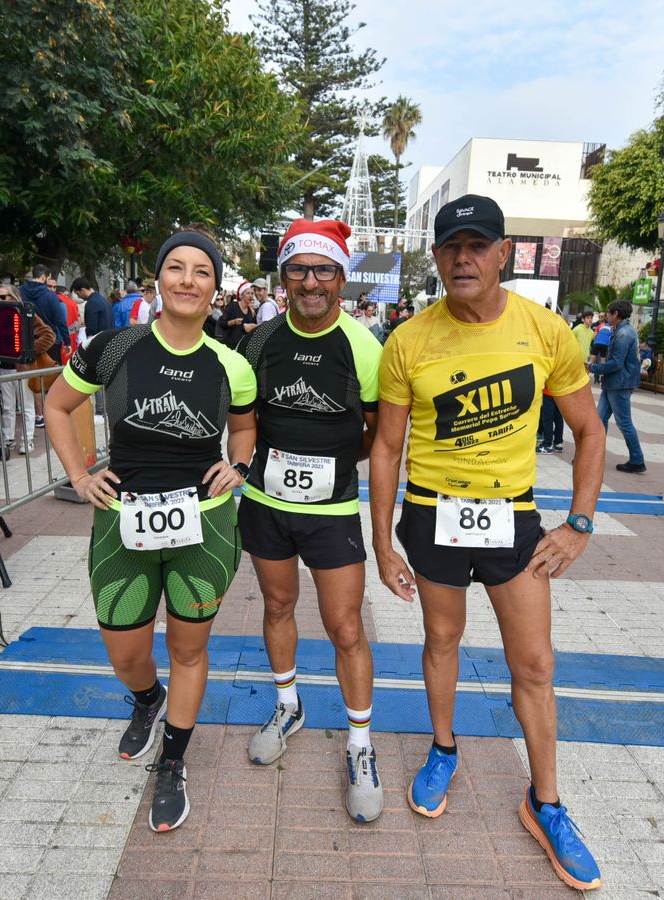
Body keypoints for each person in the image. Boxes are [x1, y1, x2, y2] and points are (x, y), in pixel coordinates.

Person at [370, 195, 608, 892]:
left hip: (514, 521)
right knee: (441, 639)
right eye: (451, 247)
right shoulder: (409, 339)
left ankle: (547, 803)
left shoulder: (544, 330)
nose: (463, 258)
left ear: (504, 253)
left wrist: (580, 523)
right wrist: (382, 541)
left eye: (478, 245)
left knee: (533, 664)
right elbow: (386, 448)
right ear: (437, 256)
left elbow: (590, 430)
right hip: (431, 515)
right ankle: (443, 749)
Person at [43, 231, 255, 833]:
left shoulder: (230, 363)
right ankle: (146, 699)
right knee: (126, 652)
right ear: (158, 279)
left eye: (202, 272)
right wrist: (80, 475)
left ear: (216, 288)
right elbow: (58, 407)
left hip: (204, 524)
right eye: (176, 268)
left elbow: (244, 429)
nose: (188, 280)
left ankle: (173, 761)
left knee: (190, 648)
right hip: (120, 519)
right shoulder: (112, 347)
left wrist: (237, 466)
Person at [237, 218, 386, 822]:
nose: (311, 281)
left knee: (345, 626)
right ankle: (288, 705)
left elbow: (380, 435)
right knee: (276, 608)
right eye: (299, 269)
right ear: (284, 276)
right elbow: (242, 418)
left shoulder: (366, 346)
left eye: (324, 270)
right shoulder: (261, 340)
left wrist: (334, 464)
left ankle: (359, 744)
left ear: (342, 278)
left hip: (332, 510)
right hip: (267, 505)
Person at [589, 300, 646, 474]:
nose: (606, 315)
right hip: (615, 383)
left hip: (619, 383)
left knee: (624, 423)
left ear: (616, 314)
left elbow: (616, 363)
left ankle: (637, 459)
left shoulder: (623, 334)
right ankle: (593, 456)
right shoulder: (622, 331)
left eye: (608, 312)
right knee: (599, 420)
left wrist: (594, 368)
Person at [0, 283, 36, 454]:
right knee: (8, 407)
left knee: (26, 406)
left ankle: (28, 440)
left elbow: (48, 335)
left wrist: (28, 351)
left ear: (14, 297)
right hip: (3, 368)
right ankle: (8, 438)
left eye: (3, 297)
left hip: (22, 368)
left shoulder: (26, 314)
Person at [21, 265, 69, 358]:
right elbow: (60, 320)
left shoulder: (20, 291)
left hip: (27, 340)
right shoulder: (50, 295)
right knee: (50, 371)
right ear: (43, 277)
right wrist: (67, 341)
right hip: (49, 340)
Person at [74, 276, 111, 344]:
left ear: (82, 290)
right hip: (108, 339)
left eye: (77, 293)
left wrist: (82, 330)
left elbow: (91, 329)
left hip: (98, 343)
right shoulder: (103, 300)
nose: (78, 296)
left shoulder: (91, 303)